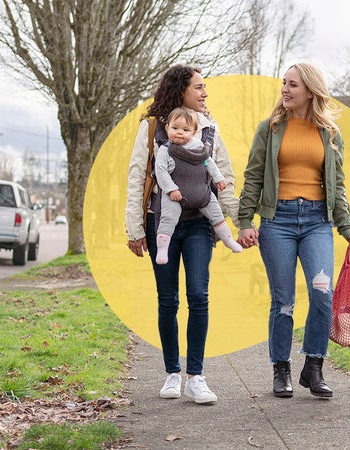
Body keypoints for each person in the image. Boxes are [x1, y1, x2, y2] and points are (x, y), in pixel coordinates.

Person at [237, 63, 350, 398]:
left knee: (322, 295)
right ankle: (281, 370)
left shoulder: (331, 134)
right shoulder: (271, 128)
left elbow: (340, 185)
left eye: (292, 84)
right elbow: (253, 177)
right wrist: (245, 220)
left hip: (318, 221)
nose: (285, 90)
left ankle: (314, 366)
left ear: (310, 90)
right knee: (283, 301)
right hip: (278, 221)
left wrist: (346, 226)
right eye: (284, 83)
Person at [125, 64, 240, 404]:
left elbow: (225, 178)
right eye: (199, 88)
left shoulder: (209, 130)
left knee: (199, 296)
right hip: (161, 223)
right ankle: (172, 373)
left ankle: (196, 377)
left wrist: (241, 221)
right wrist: (134, 229)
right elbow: (136, 177)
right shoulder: (151, 129)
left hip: (198, 224)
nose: (205, 94)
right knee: (167, 300)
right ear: (181, 91)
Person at [154, 107, 243, 264]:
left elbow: (209, 163)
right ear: (168, 127)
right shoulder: (165, 150)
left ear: (194, 131)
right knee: (168, 218)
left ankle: (229, 240)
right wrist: (171, 189)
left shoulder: (200, 147)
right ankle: (162, 249)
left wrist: (219, 179)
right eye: (175, 128)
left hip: (202, 195)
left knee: (217, 215)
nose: (179, 132)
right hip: (176, 196)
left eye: (185, 130)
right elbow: (161, 172)